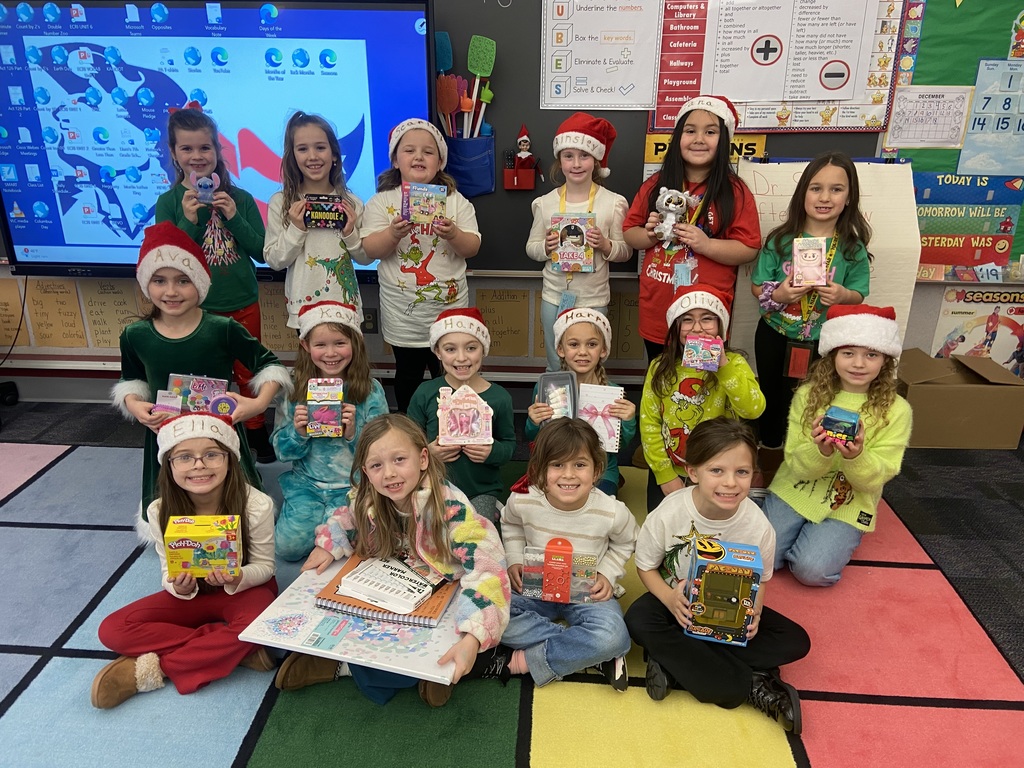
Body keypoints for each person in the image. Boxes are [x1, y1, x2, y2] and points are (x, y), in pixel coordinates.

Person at [273, 414, 511, 707]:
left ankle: (340, 668)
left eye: (399, 459)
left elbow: (487, 565)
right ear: (366, 472)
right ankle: (419, 676)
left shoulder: (451, 508)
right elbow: (345, 516)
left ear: (423, 458)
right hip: (393, 584)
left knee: (475, 628)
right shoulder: (366, 497)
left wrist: (473, 638)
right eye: (376, 466)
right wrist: (329, 543)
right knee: (347, 618)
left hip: (446, 587)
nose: (388, 474)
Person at [624, 418, 810, 733]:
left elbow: (761, 579)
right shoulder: (669, 513)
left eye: (742, 472)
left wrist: (755, 610)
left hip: (729, 612)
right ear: (693, 471)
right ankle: (751, 683)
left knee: (796, 641)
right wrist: (670, 598)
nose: (730, 483)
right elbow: (645, 566)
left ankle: (674, 663)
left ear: (754, 473)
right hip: (677, 609)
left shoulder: (757, 525)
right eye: (716, 471)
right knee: (638, 620)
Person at [111, 222, 291, 536]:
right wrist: (135, 405)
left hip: (219, 429)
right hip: (165, 432)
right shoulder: (135, 335)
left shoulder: (222, 328)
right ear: (145, 284)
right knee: (175, 499)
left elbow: (269, 365)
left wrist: (258, 403)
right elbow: (132, 380)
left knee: (237, 507)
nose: (170, 291)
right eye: (159, 280)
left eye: (183, 280)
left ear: (200, 283)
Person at [91, 413, 278, 708]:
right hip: (193, 594)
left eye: (212, 454)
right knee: (113, 629)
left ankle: (152, 670)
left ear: (230, 459)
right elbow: (167, 571)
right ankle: (235, 646)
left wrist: (237, 577)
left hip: (244, 591)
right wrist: (177, 587)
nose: (199, 465)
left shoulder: (256, 504)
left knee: (263, 621)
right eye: (184, 457)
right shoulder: (159, 510)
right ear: (169, 465)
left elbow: (266, 568)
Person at [761, 305, 912, 586]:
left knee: (811, 572)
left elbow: (879, 475)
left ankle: (821, 541)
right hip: (797, 487)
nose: (858, 364)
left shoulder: (897, 409)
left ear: (885, 359)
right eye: (848, 353)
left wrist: (857, 456)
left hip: (850, 500)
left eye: (871, 354)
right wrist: (821, 450)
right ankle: (796, 534)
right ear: (832, 355)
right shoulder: (808, 395)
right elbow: (795, 462)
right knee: (760, 557)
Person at [156, 106, 273, 461]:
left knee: (247, 370)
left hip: (241, 299)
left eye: (204, 148)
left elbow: (261, 251)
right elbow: (168, 260)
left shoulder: (240, 199)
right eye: (186, 149)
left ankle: (255, 431)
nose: (197, 157)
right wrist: (190, 220)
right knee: (204, 374)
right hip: (196, 308)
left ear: (218, 151)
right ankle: (214, 432)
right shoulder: (169, 203)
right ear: (174, 154)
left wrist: (234, 216)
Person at [498, 418, 638, 690]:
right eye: (557, 465)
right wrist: (514, 558)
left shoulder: (611, 511)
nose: (569, 475)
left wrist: (607, 574)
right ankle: (588, 649)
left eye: (580, 465)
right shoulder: (523, 499)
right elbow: (510, 523)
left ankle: (531, 659)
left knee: (613, 637)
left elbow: (627, 542)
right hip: (533, 586)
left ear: (597, 470)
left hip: (587, 592)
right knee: (494, 617)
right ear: (539, 469)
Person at [623, 95, 761, 361]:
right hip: (658, 313)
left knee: (700, 389)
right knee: (660, 382)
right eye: (690, 131)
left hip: (706, 318)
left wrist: (706, 244)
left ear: (724, 141)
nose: (699, 139)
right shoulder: (656, 185)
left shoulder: (735, 192)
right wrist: (650, 234)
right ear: (678, 139)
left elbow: (748, 248)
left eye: (710, 132)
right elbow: (630, 233)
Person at [750, 152, 872, 450]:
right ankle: (768, 450)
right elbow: (757, 287)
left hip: (822, 341)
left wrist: (843, 295)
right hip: (774, 334)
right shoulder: (780, 240)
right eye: (816, 188)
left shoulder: (851, 248)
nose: (825, 197)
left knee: (812, 399)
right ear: (802, 192)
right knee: (770, 395)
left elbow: (859, 294)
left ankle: (803, 454)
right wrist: (780, 294)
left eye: (836, 189)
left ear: (849, 197)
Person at [361, 118, 481, 412]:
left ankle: (453, 424)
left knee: (451, 374)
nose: (418, 157)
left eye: (428, 152)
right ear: (395, 159)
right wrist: (392, 234)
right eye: (409, 150)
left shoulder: (456, 202)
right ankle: (410, 425)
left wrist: (453, 234)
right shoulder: (381, 202)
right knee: (408, 375)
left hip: (449, 312)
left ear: (440, 162)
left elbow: (473, 247)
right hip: (404, 316)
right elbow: (368, 249)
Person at [271, 301, 389, 560]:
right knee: (288, 550)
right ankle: (306, 518)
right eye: (320, 345)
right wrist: (298, 433)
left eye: (340, 343)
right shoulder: (294, 391)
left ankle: (335, 527)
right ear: (305, 346)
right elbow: (281, 451)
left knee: (369, 548)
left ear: (355, 343)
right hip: (306, 485)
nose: (331, 353)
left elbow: (383, 452)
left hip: (353, 486)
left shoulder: (370, 391)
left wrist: (353, 434)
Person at [640, 284, 765, 512]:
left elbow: (753, 409)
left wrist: (724, 367)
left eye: (707, 319)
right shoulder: (659, 367)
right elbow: (649, 423)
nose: (697, 328)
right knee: (665, 530)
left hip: (719, 474)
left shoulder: (735, 363)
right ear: (676, 328)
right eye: (687, 320)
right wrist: (664, 473)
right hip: (671, 469)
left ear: (721, 327)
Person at [525, 113, 630, 371]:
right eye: (568, 156)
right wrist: (546, 247)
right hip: (555, 298)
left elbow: (626, 251)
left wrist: (606, 246)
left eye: (584, 155)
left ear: (596, 161)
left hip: (593, 300)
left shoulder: (613, 202)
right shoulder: (545, 203)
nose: (576, 163)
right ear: (559, 161)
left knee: (590, 367)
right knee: (555, 364)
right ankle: (557, 411)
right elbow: (531, 248)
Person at [263, 111, 372, 329]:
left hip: (346, 308)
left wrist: (350, 234)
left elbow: (366, 258)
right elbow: (274, 261)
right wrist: (295, 228)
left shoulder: (352, 203)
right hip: (303, 310)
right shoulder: (281, 202)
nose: (312, 156)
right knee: (311, 364)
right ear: (292, 156)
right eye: (302, 149)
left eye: (320, 147)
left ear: (334, 154)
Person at [407, 308, 515, 526]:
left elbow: (509, 445)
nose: (462, 357)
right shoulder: (425, 392)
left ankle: (491, 513)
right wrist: (429, 453)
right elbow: (407, 442)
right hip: (433, 486)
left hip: (481, 490)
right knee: (431, 538)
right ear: (437, 352)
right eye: (450, 349)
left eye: (471, 348)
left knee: (478, 540)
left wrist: (492, 451)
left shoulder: (499, 397)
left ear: (483, 350)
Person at [526, 308, 636, 494]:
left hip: (601, 471)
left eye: (592, 344)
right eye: (574, 344)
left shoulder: (612, 392)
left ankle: (614, 483)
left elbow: (620, 445)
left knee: (599, 515)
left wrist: (629, 421)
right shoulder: (547, 387)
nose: (583, 352)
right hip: (556, 467)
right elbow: (534, 439)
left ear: (603, 350)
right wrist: (533, 422)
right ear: (560, 349)